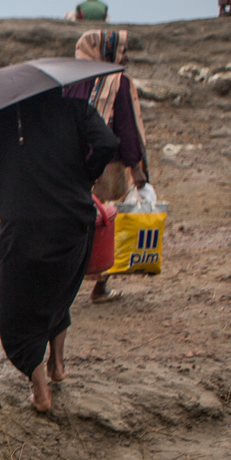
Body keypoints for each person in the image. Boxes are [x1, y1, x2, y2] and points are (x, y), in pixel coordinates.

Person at [0, 88, 119, 413]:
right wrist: (84, 174)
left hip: (23, 229)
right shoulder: (76, 107)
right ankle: (57, 366)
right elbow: (108, 144)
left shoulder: (7, 115)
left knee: (18, 316)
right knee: (58, 294)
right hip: (72, 221)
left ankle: (41, 392)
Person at [62, 28, 148, 302]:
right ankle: (100, 286)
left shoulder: (72, 81)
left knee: (76, 223)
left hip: (73, 164)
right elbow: (126, 127)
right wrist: (137, 168)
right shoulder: (118, 83)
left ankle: (70, 282)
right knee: (106, 223)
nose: (124, 54)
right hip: (108, 168)